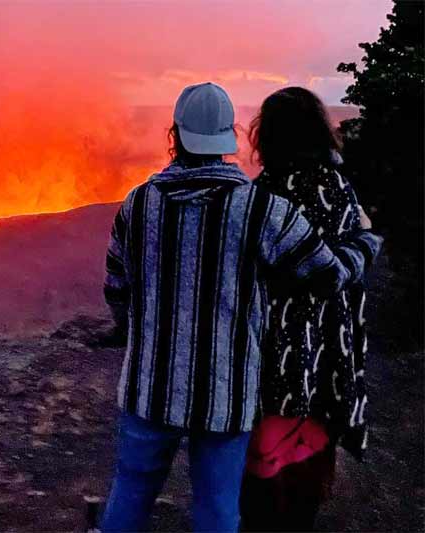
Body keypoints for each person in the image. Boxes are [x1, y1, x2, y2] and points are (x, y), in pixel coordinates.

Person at [99, 82, 382, 532]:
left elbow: (117, 287)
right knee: (216, 510)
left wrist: (130, 331)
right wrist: (365, 241)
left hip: (148, 389)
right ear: (229, 136)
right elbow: (328, 275)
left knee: (130, 495)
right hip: (225, 396)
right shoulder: (262, 209)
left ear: (175, 136)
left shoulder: (137, 203)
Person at [239, 87, 374, 531]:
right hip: (328, 350)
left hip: (274, 351)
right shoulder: (341, 191)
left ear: (268, 137)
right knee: (308, 468)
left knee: (265, 476)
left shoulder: (263, 197)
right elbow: (351, 262)